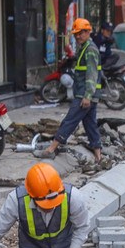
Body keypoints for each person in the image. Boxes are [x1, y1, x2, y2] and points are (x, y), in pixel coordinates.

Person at [37, 19, 102, 162]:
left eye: (80, 33)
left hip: (84, 94)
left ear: (87, 32)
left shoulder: (90, 49)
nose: (77, 36)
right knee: (90, 124)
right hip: (87, 94)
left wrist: (87, 96)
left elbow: (91, 75)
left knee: (70, 120)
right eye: (75, 34)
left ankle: (52, 148)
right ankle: (98, 155)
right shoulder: (85, 47)